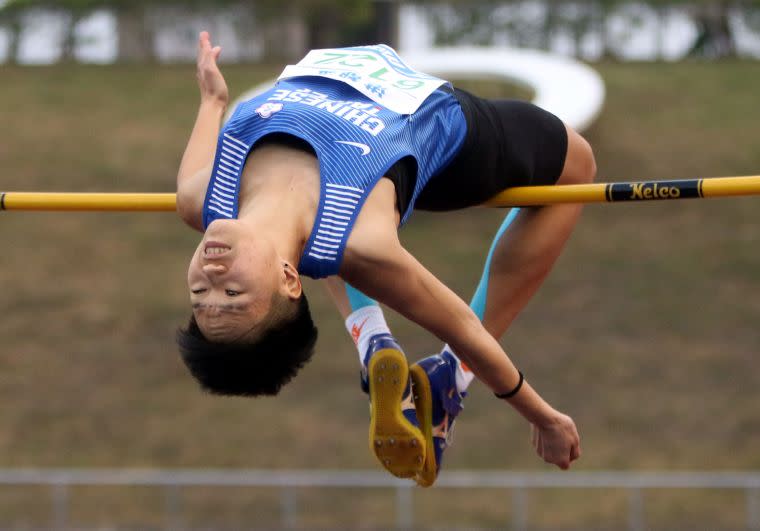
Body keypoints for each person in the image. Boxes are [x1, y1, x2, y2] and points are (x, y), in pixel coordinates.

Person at [175, 31, 594, 484]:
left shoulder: (202, 198)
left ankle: (372, 338)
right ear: (286, 280)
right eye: (232, 292)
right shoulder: (361, 239)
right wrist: (542, 415)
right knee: (578, 167)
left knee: (302, 238)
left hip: (335, 76)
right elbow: (462, 326)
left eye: (200, 293)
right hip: (437, 133)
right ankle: (450, 377)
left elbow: (198, 156)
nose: (212, 274)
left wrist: (212, 102)